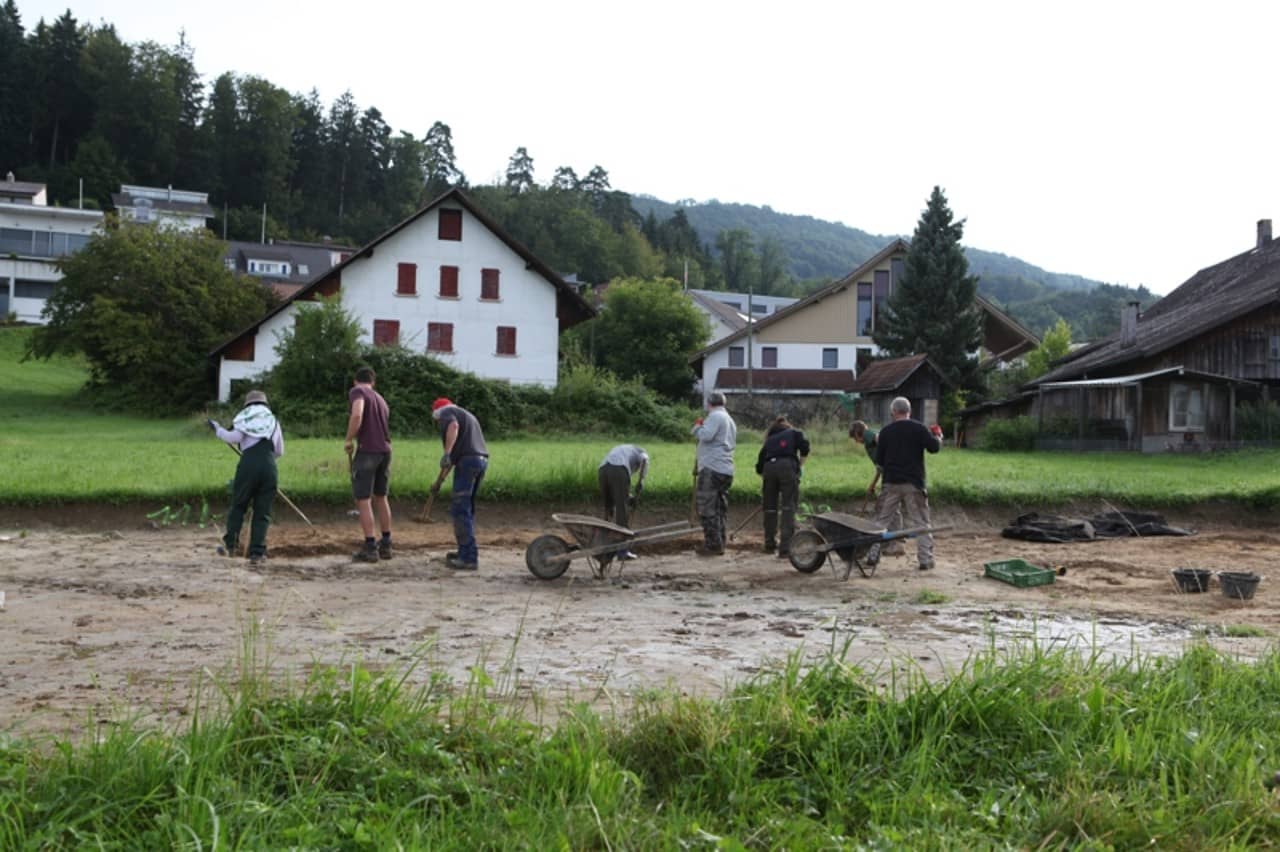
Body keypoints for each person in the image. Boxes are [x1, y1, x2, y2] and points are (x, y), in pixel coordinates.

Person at [209, 389, 283, 565]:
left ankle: (231, 546)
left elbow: (232, 437)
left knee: (239, 505)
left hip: (248, 465)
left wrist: (217, 429)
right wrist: (265, 460)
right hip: (269, 466)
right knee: (262, 511)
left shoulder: (244, 419)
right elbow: (279, 450)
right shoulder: (273, 422)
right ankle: (257, 552)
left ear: (248, 405)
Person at [868, 397, 942, 571]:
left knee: (881, 521)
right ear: (909, 411)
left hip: (891, 483)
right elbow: (934, 448)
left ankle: (872, 555)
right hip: (914, 483)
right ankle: (925, 560)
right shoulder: (919, 428)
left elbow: (880, 461)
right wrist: (938, 436)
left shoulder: (885, 432)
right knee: (921, 522)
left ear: (893, 412)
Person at [432, 398, 489, 571]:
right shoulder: (467, 415)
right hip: (480, 461)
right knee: (466, 508)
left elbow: (453, 428)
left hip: (468, 462)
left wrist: (447, 452)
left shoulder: (447, 413)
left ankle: (469, 558)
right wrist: (438, 482)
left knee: (460, 509)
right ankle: (465, 551)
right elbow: (449, 462)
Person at [345, 366, 393, 563]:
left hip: (367, 452)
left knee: (363, 499)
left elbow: (357, 414)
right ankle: (386, 544)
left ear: (356, 381)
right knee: (381, 497)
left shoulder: (358, 391)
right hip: (386, 451)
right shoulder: (381, 399)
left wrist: (349, 439)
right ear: (373, 382)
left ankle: (370, 546)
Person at [755, 415, 810, 557]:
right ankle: (785, 548)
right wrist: (799, 465)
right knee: (788, 507)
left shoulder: (769, 441)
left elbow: (759, 467)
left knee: (770, 508)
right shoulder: (794, 433)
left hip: (768, 468)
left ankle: (769, 544)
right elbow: (805, 446)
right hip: (787, 466)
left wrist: (769, 481)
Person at [691, 391, 737, 555]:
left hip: (712, 467)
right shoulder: (729, 419)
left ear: (709, 403)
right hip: (725, 469)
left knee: (707, 507)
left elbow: (706, 435)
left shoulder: (715, 416)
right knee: (719, 508)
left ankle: (712, 545)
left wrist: (697, 426)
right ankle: (720, 542)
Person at [598, 444, 649, 559]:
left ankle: (603, 545)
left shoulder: (624, 450)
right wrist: (641, 481)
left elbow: (619, 492)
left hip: (602, 470)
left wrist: (629, 497)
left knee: (608, 509)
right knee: (622, 511)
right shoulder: (640, 452)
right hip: (618, 470)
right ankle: (622, 551)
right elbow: (645, 459)